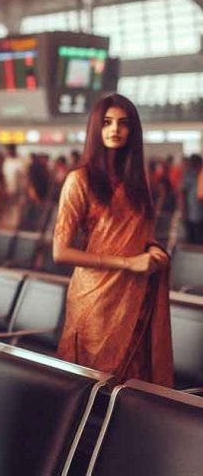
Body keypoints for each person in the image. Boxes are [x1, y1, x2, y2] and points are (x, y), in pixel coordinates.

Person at [53, 94, 173, 386]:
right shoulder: (79, 181)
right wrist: (128, 263)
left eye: (123, 123)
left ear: (133, 131)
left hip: (133, 295)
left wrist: (154, 249)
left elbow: (143, 235)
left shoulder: (139, 182)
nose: (115, 130)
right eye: (107, 123)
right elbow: (60, 252)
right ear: (96, 128)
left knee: (130, 389)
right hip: (94, 299)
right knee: (89, 388)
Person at [180, 154, 203, 244]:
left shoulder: (200, 175)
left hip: (198, 214)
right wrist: (183, 211)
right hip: (193, 215)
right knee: (194, 240)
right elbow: (182, 194)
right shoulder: (189, 175)